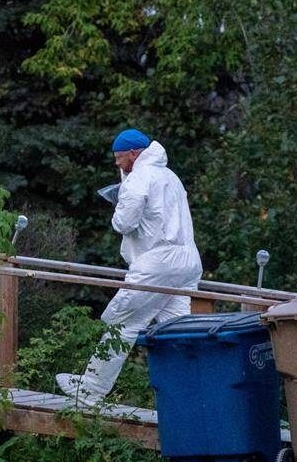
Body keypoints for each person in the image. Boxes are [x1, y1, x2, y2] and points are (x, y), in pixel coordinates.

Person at [56, 129, 202, 404]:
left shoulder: (138, 179)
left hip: (158, 264)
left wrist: (121, 195)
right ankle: (188, 395)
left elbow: (124, 223)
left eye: (120, 158)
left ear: (134, 154)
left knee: (122, 321)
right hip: (187, 262)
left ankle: (90, 389)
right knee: (176, 331)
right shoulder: (170, 176)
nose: (117, 164)